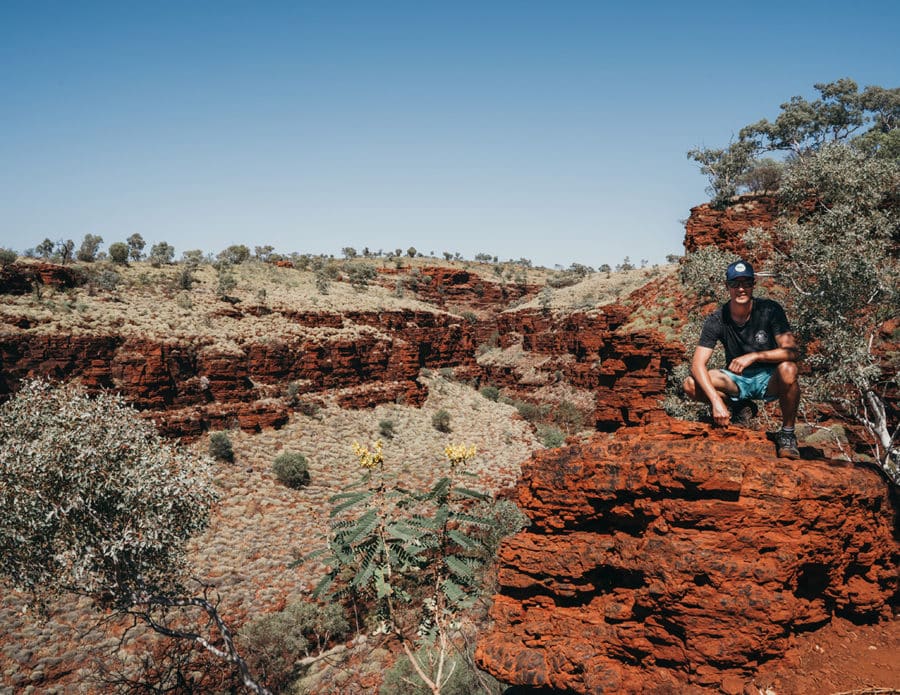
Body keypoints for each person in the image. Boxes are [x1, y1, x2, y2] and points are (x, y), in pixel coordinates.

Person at [682, 260, 801, 459]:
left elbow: (792, 352)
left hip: (769, 378)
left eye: (746, 283)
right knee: (690, 384)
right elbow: (697, 364)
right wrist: (715, 402)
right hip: (737, 380)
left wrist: (755, 356)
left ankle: (787, 434)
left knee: (789, 368)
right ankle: (737, 407)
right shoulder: (717, 319)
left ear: (754, 284)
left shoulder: (770, 310)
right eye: (735, 283)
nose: (741, 288)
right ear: (727, 286)